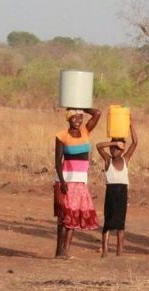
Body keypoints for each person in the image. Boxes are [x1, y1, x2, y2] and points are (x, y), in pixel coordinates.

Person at [53, 107, 102, 259]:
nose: (77, 121)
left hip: (80, 181)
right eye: (74, 118)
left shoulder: (86, 131)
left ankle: (65, 251)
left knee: (72, 216)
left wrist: (80, 103)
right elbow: (57, 161)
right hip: (66, 180)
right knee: (64, 217)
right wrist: (62, 181)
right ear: (68, 119)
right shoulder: (62, 136)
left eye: (80, 118)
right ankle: (60, 251)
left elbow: (97, 113)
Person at [95, 125, 137, 257]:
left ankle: (120, 251)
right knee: (107, 223)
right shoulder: (108, 160)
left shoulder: (125, 159)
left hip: (122, 193)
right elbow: (98, 146)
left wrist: (130, 124)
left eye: (118, 148)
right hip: (111, 193)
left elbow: (135, 142)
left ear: (123, 149)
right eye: (112, 148)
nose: (114, 150)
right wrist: (114, 142)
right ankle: (105, 251)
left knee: (120, 224)